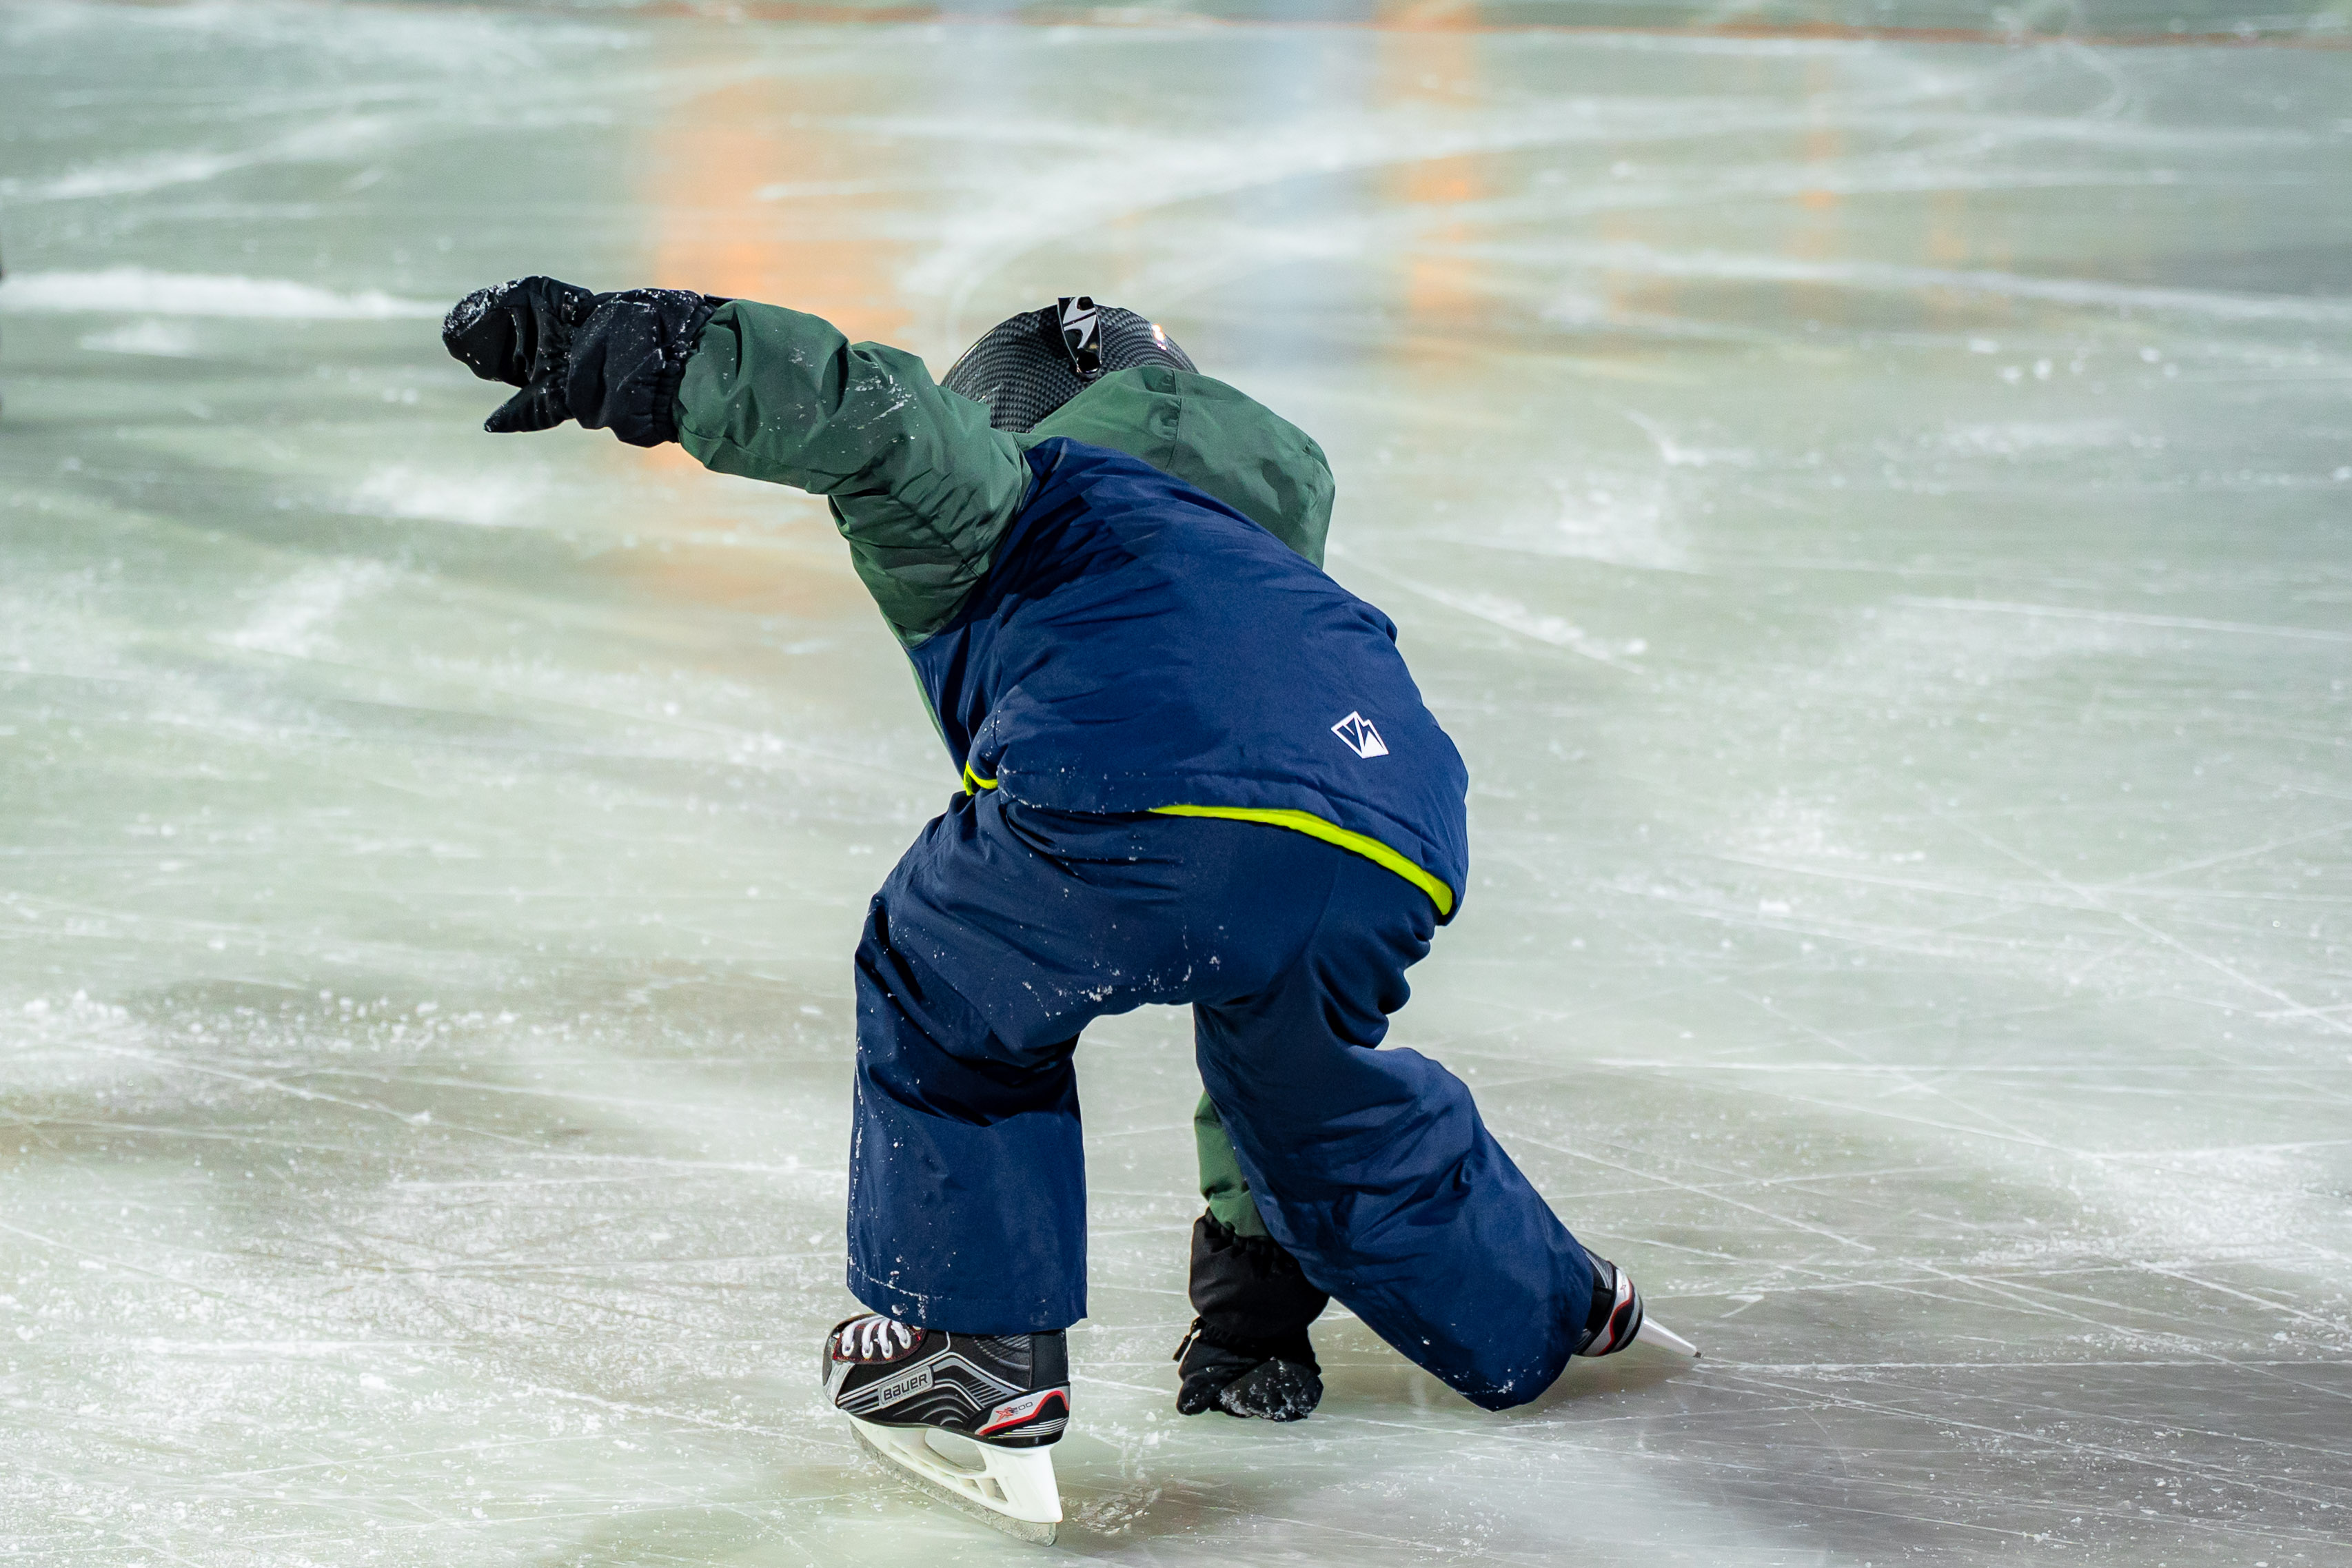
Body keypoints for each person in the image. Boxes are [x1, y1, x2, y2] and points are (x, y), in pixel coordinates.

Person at [441, 280, 1695, 1543]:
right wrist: (1252, 1319)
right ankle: (1543, 1301)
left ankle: (971, 1344)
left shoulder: (1029, 491)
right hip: (1396, 817)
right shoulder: (1262, 556)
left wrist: (654, 348)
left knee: (941, 983)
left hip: (1133, 782)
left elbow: (877, 421)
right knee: (1303, 1080)